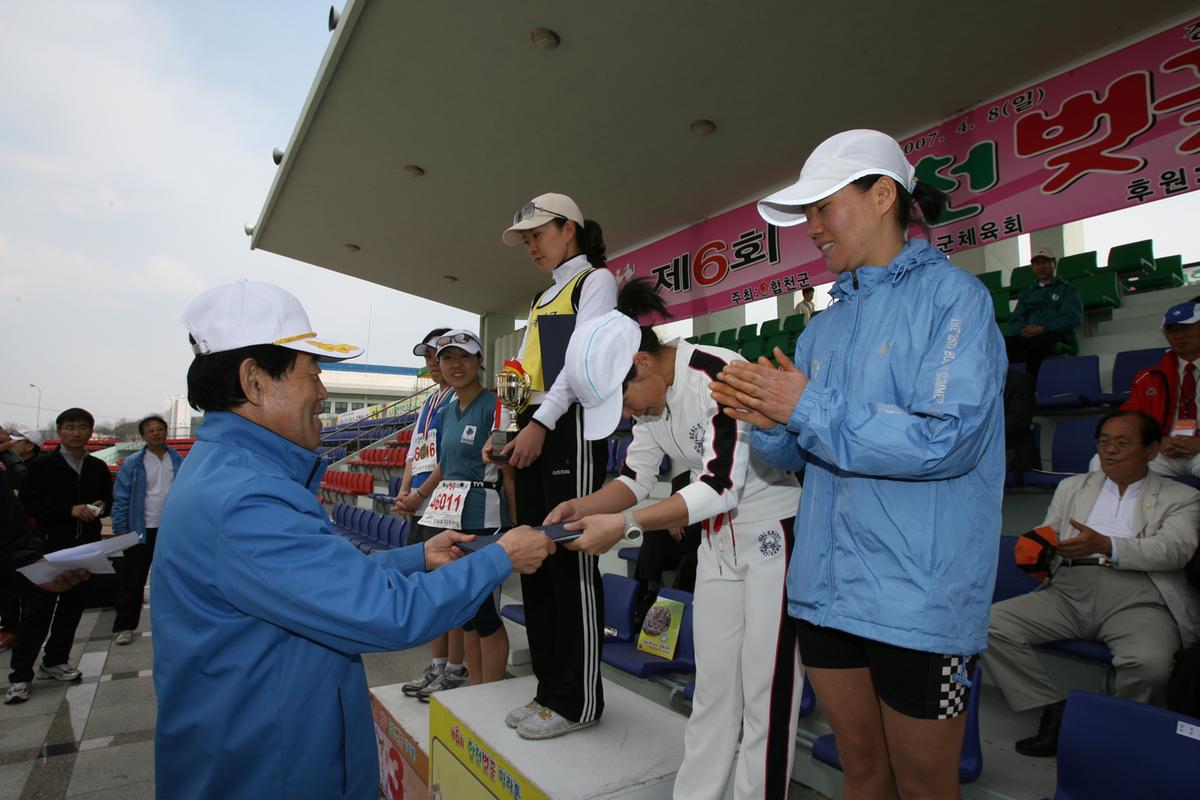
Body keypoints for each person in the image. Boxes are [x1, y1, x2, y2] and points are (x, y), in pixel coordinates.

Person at [153, 280, 555, 799]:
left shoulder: (232, 475)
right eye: (312, 374)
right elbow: (386, 615)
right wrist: (500, 556)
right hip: (268, 772)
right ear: (254, 381)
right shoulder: (247, 498)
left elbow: (316, 582)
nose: (322, 392)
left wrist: (418, 557)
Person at [712, 128, 1006, 798]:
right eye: (806, 213)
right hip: (826, 591)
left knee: (927, 783)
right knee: (861, 768)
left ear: (882, 196)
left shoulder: (955, 301)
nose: (811, 227)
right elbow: (798, 452)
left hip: (922, 600)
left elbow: (946, 439)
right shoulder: (824, 326)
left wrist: (806, 408)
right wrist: (767, 423)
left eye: (822, 206)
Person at [546, 279, 803, 798]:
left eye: (623, 401)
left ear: (640, 363)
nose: (627, 414)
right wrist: (585, 506)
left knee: (765, 691)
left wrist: (624, 525)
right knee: (711, 689)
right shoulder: (652, 403)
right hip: (718, 542)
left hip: (771, 534)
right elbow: (635, 479)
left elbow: (722, 486)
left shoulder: (718, 373)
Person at [985, 411, 1200, 756]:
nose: (1110, 450)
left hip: (1139, 596)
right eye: (1104, 443)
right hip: (1070, 587)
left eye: (1122, 443)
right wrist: (1039, 544)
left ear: (1151, 449)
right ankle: (1053, 710)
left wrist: (1107, 545)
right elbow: (1051, 529)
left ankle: (1125, 735)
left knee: (1149, 663)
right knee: (990, 626)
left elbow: (1174, 551)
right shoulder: (1073, 486)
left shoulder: (1181, 497)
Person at [488, 192, 618, 739]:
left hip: (570, 430)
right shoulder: (545, 296)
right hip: (536, 424)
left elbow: (579, 365)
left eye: (538, 234)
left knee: (570, 565)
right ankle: (548, 691)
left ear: (570, 228)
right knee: (534, 560)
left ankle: (579, 700)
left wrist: (540, 424)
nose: (532, 247)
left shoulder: (596, 281)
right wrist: (508, 427)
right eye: (526, 239)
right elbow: (525, 371)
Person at [416, 330, 515, 693]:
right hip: (448, 521)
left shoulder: (495, 405)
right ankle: (475, 690)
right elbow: (444, 464)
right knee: (468, 614)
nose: (455, 365)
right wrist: (419, 496)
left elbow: (507, 467)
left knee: (485, 615)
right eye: (447, 358)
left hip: (484, 521)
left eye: (464, 357)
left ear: (478, 362)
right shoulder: (447, 412)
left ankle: (490, 693)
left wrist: (516, 522)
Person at [6, 408, 113, 703]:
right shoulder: (42, 466)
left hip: (85, 548)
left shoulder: (97, 467)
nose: (76, 432)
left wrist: (100, 506)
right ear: (60, 431)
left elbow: (109, 499)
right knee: (37, 610)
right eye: (69, 427)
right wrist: (69, 510)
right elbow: (28, 503)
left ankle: (55, 660)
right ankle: (20, 676)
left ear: (90, 432)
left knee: (73, 606)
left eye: (82, 427)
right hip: (48, 547)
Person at [393, 328, 468, 698]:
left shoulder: (459, 399)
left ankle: (455, 668)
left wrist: (420, 493)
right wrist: (406, 491)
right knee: (427, 590)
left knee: (449, 590)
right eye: (428, 359)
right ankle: (438, 665)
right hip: (420, 505)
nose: (433, 365)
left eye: (438, 356)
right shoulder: (430, 402)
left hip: (443, 505)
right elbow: (414, 453)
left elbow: (450, 459)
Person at [1, 470, 90, 704]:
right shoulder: (45, 467)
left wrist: (29, 564)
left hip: (41, 558)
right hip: (43, 545)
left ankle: (46, 664)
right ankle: (21, 673)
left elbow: (13, 534)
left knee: (42, 612)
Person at [110, 414, 183, 645]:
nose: (156, 433)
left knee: (172, 579)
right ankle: (124, 626)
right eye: (151, 430)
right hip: (141, 529)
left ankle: (173, 624)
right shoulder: (134, 462)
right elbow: (121, 497)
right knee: (133, 580)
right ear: (143, 435)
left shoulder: (177, 459)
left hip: (170, 529)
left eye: (160, 429)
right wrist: (121, 529)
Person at [1112, 300, 1200, 478]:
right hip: (1164, 450)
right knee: (1103, 462)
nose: (1178, 336)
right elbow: (1130, 419)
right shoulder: (1149, 377)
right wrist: (1156, 440)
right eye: (1172, 330)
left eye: (1186, 327)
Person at [1003, 247, 1083, 378]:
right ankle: (1013, 385)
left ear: (1054, 264)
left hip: (1055, 333)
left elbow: (1071, 317)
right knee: (1005, 344)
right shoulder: (1027, 293)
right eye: (1037, 264)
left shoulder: (1067, 289)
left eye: (1045, 262)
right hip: (1029, 334)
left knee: (1038, 343)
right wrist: (1023, 330)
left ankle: (1030, 384)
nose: (1041, 267)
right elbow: (1016, 318)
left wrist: (1044, 328)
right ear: (1032, 267)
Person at [0, 426, 43, 652]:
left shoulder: (36, 471)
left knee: (28, 594)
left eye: (15, 441)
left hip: (27, 542)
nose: (10, 444)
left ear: (29, 446)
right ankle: (9, 628)